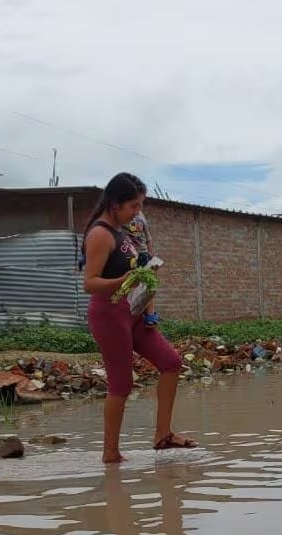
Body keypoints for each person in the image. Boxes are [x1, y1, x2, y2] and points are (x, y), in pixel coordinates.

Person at [82, 172, 197, 464]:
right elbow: (90, 283)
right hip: (109, 314)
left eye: (140, 205)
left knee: (171, 363)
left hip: (133, 311)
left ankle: (163, 435)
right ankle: (110, 452)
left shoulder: (124, 234)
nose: (138, 212)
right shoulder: (99, 234)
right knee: (121, 384)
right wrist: (126, 278)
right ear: (114, 203)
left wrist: (148, 307)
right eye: (134, 206)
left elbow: (138, 278)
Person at [122, 212, 160, 327]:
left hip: (143, 254)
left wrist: (151, 253)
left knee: (147, 285)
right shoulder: (121, 214)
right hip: (129, 254)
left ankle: (150, 315)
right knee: (130, 284)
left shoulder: (141, 216)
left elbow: (148, 237)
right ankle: (130, 314)